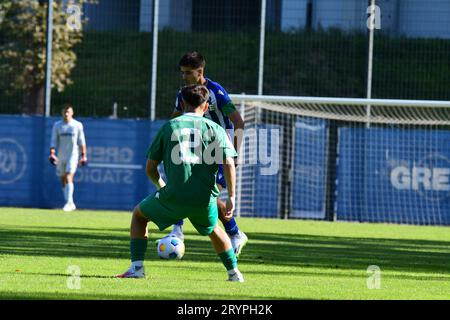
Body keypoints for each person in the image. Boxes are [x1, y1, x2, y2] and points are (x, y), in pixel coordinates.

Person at [116, 84, 244, 282]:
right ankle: (234, 273)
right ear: (207, 105)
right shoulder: (216, 129)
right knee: (215, 230)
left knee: (139, 216)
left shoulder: (170, 126)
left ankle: (137, 268)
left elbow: (150, 169)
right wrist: (232, 197)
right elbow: (229, 163)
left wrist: (162, 187)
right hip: (204, 199)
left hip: (173, 196)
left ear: (182, 103)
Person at [167, 51, 248, 257]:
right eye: (182, 73)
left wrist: (235, 154)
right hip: (197, 151)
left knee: (205, 194)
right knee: (187, 187)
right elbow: (175, 117)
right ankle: (179, 230)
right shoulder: (184, 94)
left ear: (200, 71)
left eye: (188, 73)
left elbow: (238, 121)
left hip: (219, 150)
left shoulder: (216, 92)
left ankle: (234, 233)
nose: (184, 76)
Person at [49, 104, 87, 212]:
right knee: (62, 179)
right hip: (61, 156)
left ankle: (68, 203)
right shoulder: (57, 125)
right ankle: (70, 202)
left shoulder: (77, 125)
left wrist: (83, 156)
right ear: (62, 113)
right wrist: (52, 153)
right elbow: (53, 141)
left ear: (72, 113)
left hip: (73, 155)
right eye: (64, 112)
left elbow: (82, 142)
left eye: (68, 112)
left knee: (68, 175)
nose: (66, 114)